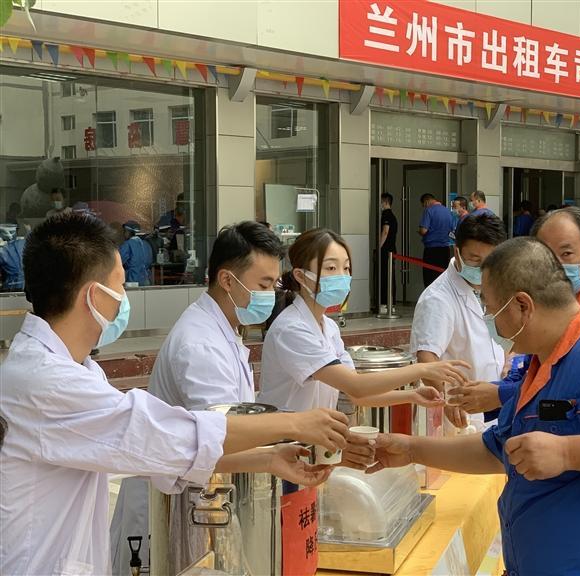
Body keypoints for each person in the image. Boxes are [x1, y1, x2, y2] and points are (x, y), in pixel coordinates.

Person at [0, 212, 350, 575]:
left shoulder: (73, 369)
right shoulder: (47, 383)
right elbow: (173, 436)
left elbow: (177, 444)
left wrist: (269, 458)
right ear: (94, 297)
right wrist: (295, 424)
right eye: (120, 287)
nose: (123, 300)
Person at [371, 237, 580, 576]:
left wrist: (568, 452)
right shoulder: (541, 365)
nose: (489, 320)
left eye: (490, 309)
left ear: (522, 306)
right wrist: (411, 449)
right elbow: (500, 449)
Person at [110, 221, 351, 575]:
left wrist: (273, 457)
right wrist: (294, 428)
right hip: (169, 508)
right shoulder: (201, 344)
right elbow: (218, 437)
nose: (271, 294)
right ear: (227, 280)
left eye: (273, 284)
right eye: (263, 285)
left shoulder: (224, 330)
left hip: (197, 497)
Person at [452, 207, 580, 417]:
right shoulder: (545, 307)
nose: (556, 266)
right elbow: (530, 370)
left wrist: (500, 395)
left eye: (566, 254)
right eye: (547, 257)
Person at [259, 228, 468, 414]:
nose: (342, 276)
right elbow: (356, 385)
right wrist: (422, 369)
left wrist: (412, 395)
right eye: (331, 268)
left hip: (311, 438)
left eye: (346, 268)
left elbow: (356, 394)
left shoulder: (328, 327)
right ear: (301, 276)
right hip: (284, 439)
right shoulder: (292, 329)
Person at [410, 214, 507, 432]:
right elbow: (426, 358)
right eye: (474, 259)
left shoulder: (493, 286)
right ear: (457, 253)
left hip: (495, 407)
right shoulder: (438, 298)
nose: (482, 268)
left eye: (489, 261)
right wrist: (447, 399)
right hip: (462, 415)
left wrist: (508, 360)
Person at [417, 193, 453, 287]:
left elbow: (424, 230)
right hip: (445, 249)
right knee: (442, 278)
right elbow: (451, 230)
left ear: (426, 201)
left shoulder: (429, 210)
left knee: (430, 279)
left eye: (424, 205)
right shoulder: (447, 211)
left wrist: (419, 231)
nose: (424, 207)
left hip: (432, 250)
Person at [379, 193, 398, 313]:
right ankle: (391, 304)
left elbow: (385, 232)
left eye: (381, 202)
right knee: (390, 277)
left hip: (386, 250)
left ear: (385, 202)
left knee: (385, 276)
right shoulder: (393, 216)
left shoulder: (386, 215)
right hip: (392, 249)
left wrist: (379, 247)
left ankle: (385, 304)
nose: (380, 204)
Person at [118, 220, 152, 286]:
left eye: (124, 231)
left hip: (133, 280)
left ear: (127, 232)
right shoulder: (146, 244)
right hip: (146, 279)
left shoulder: (127, 244)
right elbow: (149, 261)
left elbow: (119, 261)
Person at [0, 226, 25, 292]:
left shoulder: (4, 249)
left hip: (10, 289)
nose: (8, 234)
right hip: (29, 288)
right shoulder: (26, 243)